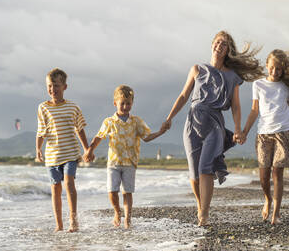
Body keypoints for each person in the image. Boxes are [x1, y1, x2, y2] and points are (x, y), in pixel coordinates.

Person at [163, 30, 265, 226]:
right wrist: (169, 118)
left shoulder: (233, 77)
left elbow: (235, 105)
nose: (220, 45)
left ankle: (204, 215)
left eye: (224, 44)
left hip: (214, 123)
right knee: (193, 174)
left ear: (228, 50)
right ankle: (201, 206)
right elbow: (184, 96)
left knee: (205, 168)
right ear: (212, 45)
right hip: (192, 122)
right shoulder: (197, 69)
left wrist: (237, 129)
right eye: (218, 42)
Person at [241, 49, 289, 225]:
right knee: (264, 176)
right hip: (263, 134)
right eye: (272, 68)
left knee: (277, 173)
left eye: (279, 69)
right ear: (267, 66)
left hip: (283, 132)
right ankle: (267, 198)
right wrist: (244, 132)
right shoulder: (258, 85)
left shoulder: (286, 87)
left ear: (283, 69)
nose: (275, 72)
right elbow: (254, 111)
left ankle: (276, 214)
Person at [85, 85, 167, 229]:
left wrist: (160, 132)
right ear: (115, 103)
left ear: (132, 103)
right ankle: (117, 212)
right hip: (114, 163)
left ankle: (127, 219)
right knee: (112, 191)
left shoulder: (136, 121)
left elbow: (146, 137)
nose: (125, 106)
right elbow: (99, 137)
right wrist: (90, 150)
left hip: (130, 162)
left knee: (127, 192)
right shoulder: (109, 122)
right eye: (122, 103)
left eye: (128, 103)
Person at [35, 68, 91, 232]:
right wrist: (38, 148)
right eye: (50, 86)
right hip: (52, 155)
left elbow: (80, 129)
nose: (53, 89)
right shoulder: (43, 108)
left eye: (56, 85)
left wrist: (87, 149)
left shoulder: (73, 107)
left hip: (70, 154)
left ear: (65, 87)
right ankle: (59, 224)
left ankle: (73, 221)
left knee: (68, 183)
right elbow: (41, 131)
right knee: (55, 188)